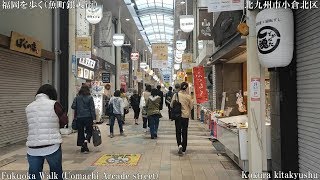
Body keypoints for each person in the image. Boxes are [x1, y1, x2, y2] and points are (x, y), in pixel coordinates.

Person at [25, 84, 68, 180]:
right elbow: (64, 121)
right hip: (52, 146)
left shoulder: (29, 107)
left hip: (33, 148)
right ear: (52, 93)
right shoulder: (54, 104)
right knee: (56, 174)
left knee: (34, 176)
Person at [72, 85, 96, 153]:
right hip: (88, 117)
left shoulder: (77, 98)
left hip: (79, 117)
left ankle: (83, 146)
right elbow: (92, 109)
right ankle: (86, 141)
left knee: (80, 132)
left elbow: (73, 106)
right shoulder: (90, 98)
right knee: (89, 131)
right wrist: (94, 118)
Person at [170, 82, 193, 156]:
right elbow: (192, 107)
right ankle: (184, 148)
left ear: (180, 87)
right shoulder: (188, 96)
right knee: (184, 131)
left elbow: (171, 105)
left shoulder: (176, 95)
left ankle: (179, 144)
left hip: (178, 116)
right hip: (185, 116)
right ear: (186, 88)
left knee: (178, 131)